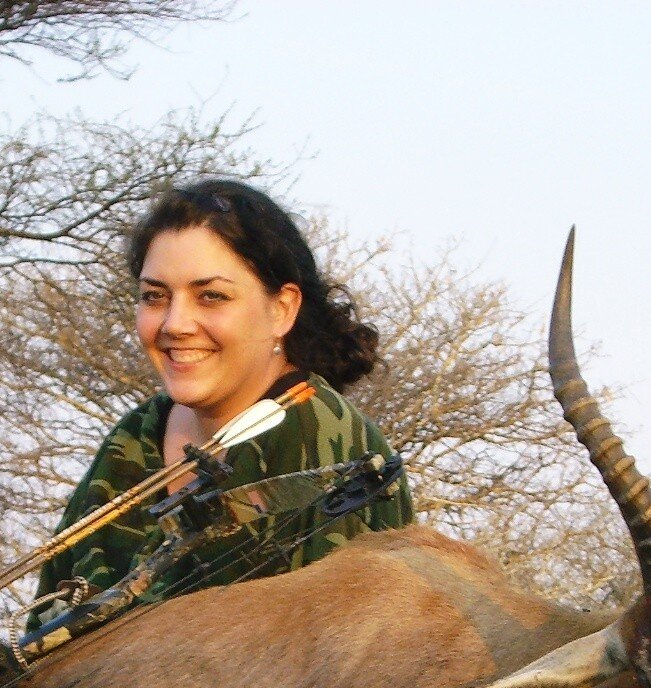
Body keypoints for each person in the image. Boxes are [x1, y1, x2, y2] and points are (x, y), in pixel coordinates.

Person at [30, 180, 413, 627]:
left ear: (281, 310)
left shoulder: (331, 447)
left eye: (211, 296)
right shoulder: (136, 435)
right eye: (155, 296)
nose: (175, 324)